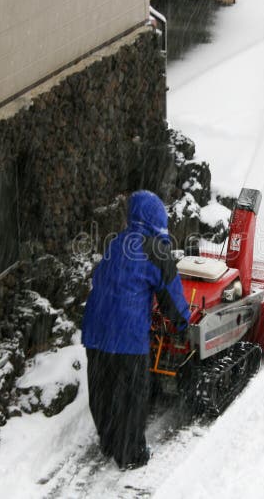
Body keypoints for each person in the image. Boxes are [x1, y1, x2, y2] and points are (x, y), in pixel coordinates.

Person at [81, 190, 190, 469]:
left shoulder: (117, 243)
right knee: (131, 395)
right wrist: (182, 325)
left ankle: (108, 441)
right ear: (158, 219)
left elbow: (103, 277)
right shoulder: (156, 250)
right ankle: (130, 454)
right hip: (127, 336)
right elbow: (172, 297)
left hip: (96, 332)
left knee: (103, 389)